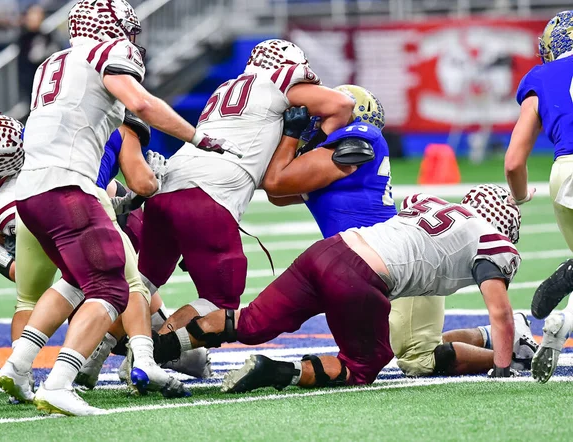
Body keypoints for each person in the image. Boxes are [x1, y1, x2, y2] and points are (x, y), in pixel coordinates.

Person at [0, 0, 223, 416]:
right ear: (109, 27)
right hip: (69, 189)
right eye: (125, 29)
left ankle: (19, 364)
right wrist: (198, 137)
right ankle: (61, 382)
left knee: (73, 280)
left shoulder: (53, 63)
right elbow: (142, 102)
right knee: (112, 288)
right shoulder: (106, 53)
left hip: (29, 193)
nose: (132, 39)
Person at [263, 86, 536, 378]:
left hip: (397, 266)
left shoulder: (348, 156)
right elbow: (277, 190)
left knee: (419, 360)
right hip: (369, 266)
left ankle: (509, 354)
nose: (316, 123)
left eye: (323, 117)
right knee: (399, 346)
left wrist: (292, 137)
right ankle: (492, 335)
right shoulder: (332, 168)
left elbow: (277, 183)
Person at [152, 184, 522, 392]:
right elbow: (501, 313)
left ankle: (154, 350)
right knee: (363, 366)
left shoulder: (429, 202)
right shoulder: (491, 240)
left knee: (249, 323)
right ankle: (275, 371)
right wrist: (504, 369)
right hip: (360, 278)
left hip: (327, 251)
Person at [137, 39, 354, 347]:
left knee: (139, 284)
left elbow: (262, 171)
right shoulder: (276, 81)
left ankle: (97, 352)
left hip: (168, 185)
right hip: (209, 196)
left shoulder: (227, 87)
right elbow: (341, 104)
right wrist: (318, 143)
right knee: (219, 301)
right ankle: (153, 354)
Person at [504, 10, 573, 383]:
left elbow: (514, 161)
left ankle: (561, 318)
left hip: (563, 172)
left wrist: (519, 197)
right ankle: (565, 315)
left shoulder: (540, 77)